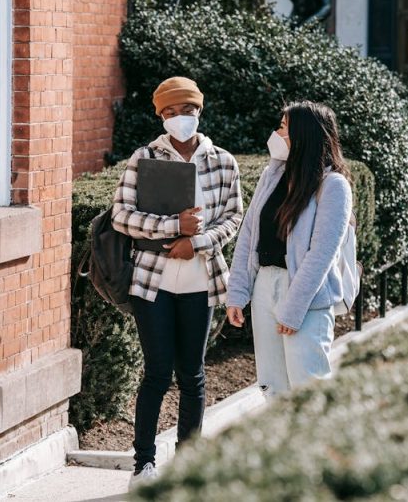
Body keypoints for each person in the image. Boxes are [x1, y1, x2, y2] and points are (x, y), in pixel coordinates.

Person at [111, 76, 243, 488]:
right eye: (169, 112)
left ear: (198, 110)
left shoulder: (223, 161)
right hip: (153, 282)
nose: (178, 118)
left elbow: (234, 217)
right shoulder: (144, 157)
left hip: (200, 283)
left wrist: (197, 241)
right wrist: (172, 227)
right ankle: (144, 464)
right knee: (155, 373)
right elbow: (121, 216)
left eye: (186, 110)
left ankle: (189, 467)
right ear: (160, 115)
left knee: (193, 374)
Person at [225, 101, 354, 398]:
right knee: (273, 387)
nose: (276, 133)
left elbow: (322, 255)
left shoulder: (333, 185)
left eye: (283, 127)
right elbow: (249, 235)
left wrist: (293, 310)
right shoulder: (272, 176)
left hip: (305, 296)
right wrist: (237, 293)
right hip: (265, 287)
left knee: (308, 388)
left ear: (304, 135)